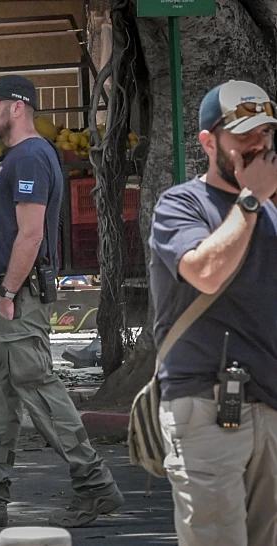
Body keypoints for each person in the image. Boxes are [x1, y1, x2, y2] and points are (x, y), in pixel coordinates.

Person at [0, 75, 123, 528]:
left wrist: (8, 293)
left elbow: (32, 233)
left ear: (18, 107)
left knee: (39, 391)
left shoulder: (33, 157)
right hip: (6, 293)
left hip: (17, 295)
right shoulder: (17, 158)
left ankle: (96, 486)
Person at [149, 79, 277, 546]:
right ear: (208, 142)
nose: (258, 144)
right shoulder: (181, 204)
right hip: (206, 403)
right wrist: (251, 200)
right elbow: (204, 272)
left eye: (265, 132)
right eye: (243, 134)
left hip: (270, 402)